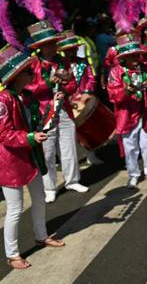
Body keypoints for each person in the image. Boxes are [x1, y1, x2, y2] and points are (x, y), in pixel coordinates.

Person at [0, 45, 65, 270]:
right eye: (28, 72)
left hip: (29, 157)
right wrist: (29, 137)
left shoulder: (26, 95)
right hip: (10, 162)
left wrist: (54, 105)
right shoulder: (3, 100)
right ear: (16, 76)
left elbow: (38, 121)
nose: (32, 74)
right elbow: (4, 134)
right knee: (15, 208)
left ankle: (41, 235)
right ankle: (12, 254)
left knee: (38, 199)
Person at [24, 21, 89, 203]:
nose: (54, 46)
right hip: (44, 112)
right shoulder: (33, 64)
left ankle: (72, 180)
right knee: (48, 151)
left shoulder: (63, 61)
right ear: (41, 46)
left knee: (69, 146)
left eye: (54, 42)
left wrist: (67, 81)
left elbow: (73, 85)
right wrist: (49, 82)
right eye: (49, 44)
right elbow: (27, 88)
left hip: (64, 110)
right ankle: (49, 187)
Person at [107, 35, 147, 188]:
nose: (136, 58)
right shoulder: (116, 72)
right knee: (130, 148)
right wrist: (126, 92)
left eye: (137, 54)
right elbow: (113, 95)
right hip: (126, 115)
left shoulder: (146, 68)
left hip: (145, 112)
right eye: (132, 56)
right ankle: (133, 175)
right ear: (124, 58)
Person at [57, 30, 104, 165]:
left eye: (73, 49)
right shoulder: (60, 66)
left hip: (82, 99)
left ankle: (91, 154)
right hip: (67, 101)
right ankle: (74, 158)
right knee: (70, 132)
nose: (70, 52)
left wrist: (87, 92)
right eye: (67, 50)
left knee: (87, 128)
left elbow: (91, 78)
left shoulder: (83, 62)